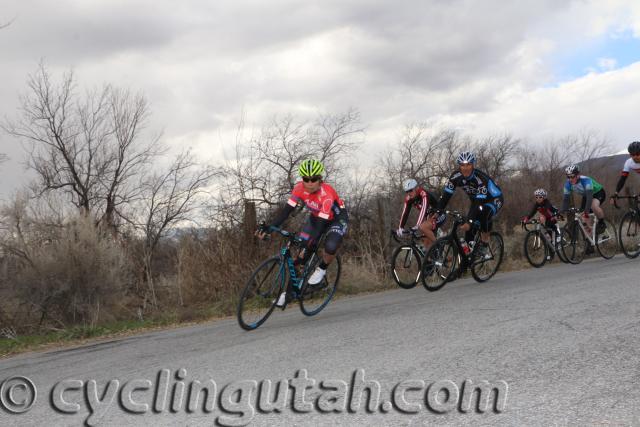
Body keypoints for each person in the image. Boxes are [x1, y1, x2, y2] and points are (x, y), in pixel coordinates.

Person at [256, 159, 348, 307]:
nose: (310, 183)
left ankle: (321, 271)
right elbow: (286, 211)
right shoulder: (299, 188)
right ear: (302, 179)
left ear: (320, 179)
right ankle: (288, 294)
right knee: (300, 257)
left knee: (330, 245)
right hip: (315, 218)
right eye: (306, 179)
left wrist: (308, 243)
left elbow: (321, 227)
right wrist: (270, 227)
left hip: (335, 219)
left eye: (314, 179)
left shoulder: (326, 194)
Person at [437, 151, 504, 257]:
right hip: (477, 200)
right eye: (462, 165)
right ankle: (467, 259)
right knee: (470, 224)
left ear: (473, 164)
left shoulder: (480, 179)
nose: (465, 168)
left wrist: (470, 221)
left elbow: (478, 203)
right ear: (459, 165)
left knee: (482, 213)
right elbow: (446, 196)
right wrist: (437, 211)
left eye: (468, 164)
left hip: (494, 199)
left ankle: (485, 244)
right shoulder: (455, 176)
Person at [396, 178, 445, 251]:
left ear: (416, 188)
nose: (409, 193)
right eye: (407, 191)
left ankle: (439, 247)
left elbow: (424, 209)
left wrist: (417, 225)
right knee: (427, 246)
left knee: (423, 227)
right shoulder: (409, 198)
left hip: (439, 215)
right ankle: (441, 259)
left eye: (411, 190)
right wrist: (401, 227)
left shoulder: (423, 193)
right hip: (429, 218)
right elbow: (405, 212)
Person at [561, 164, 607, 235]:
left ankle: (601, 223)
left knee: (593, 206)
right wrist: (562, 211)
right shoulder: (568, 184)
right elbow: (566, 199)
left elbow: (589, 198)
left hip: (598, 192)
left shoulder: (585, 180)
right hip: (586, 195)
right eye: (568, 177)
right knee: (581, 215)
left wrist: (586, 212)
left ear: (578, 175)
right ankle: (590, 236)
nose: (570, 179)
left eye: (572, 176)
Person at [522, 188, 562, 253]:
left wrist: (543, 217)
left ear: (544, 198)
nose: (538, 199)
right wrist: (526, 219)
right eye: (536, 197)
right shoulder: (537, 204)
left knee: (548, 223)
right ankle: (551, 252)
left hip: (554, 214)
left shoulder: (547, 202)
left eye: (540, 197)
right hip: (547, 217)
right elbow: (532, 212)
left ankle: (558, 235)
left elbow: (546, 208)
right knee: (547, 233)